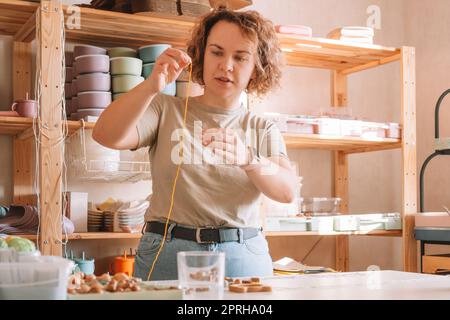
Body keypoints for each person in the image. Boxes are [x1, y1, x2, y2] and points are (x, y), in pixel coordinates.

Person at [92, 7, 297, 280]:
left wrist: (250, 160)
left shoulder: (261, 128)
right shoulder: (165, 109)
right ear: (201, 55)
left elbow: (287, 190)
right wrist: (152, 85)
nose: (226, 65)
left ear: (256, 68)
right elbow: (105, 135)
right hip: (167, 252)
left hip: (242, 254)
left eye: (240, 57)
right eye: (216, 52)